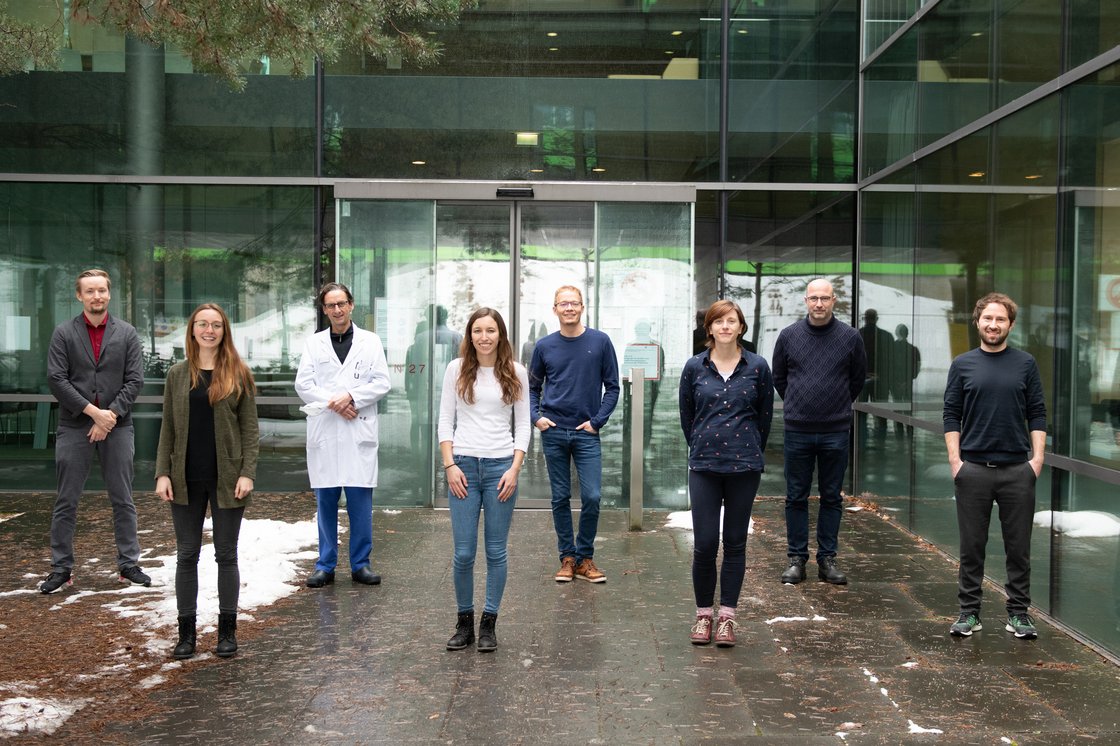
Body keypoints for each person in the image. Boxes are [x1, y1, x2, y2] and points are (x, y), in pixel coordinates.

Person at [155, 303, 259, 660]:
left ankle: (227, 632)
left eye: (216, 325)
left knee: (226, 555)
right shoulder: (177, 375)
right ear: (193, 329)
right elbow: (167, 427)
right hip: (185, 477)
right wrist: (162, 473)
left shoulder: (238, 373)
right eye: (203, 324)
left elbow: (250, 430)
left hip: (228, 478)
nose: (209, 330)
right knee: (186, 555)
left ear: (224, 331)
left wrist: (247, 473)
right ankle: (186, 634)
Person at [944, 292, 1046, 639]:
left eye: (1000, 319)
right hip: (973, 469)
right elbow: (951, 415)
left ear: (1011, 325)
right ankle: (969, 613)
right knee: (971, 547)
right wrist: (956, 462)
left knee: (1018, 548)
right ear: (978, 323)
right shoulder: (962, 364)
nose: (993, 324)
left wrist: (1037, 460)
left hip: (1018, 470)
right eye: (988, 318)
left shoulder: (1025, 364)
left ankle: (1018, 614)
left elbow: (1037, 413)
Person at [40, 269, 149, 594]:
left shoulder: (127, 333)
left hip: (118, 427)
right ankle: (62, 569)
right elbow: (56, 379)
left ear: (109, 294)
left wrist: (110, 416)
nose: (96, 296)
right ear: (79, 295)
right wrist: (93, 414)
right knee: (66, 501)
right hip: (75, 426)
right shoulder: (63, 333)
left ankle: (128, 564)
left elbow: (135, 380)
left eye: (101, 290)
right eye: (90, 291)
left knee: (123, 499)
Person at [679, 300, 773, 647]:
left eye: (731, 321)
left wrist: (748, 447)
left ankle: (727, 620)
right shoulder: (694, 367)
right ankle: (704, 615)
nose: (725, 327)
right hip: (704, 466)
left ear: (741, 327)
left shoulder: (758, 366)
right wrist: (703, 443)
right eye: (718, 322)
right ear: (710, 328)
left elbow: (764, 417)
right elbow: (687, 416)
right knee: (704, 544)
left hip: (744, 466)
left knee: (735, 543)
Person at [438, 308, 530, 652]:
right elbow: (445, 420)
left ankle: (489, 623)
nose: (484, 337)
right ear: (470, 335)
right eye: (478, 330)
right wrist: (449, 466)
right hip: (462, 467)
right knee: (463, 553)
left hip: (500, 469)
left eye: (491, 330)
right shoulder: (456, 369)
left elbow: (523, 426)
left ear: (500, 335)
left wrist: (514, 469)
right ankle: (464, 623)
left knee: (495, 551)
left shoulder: (516, 372)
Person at [296, 282, 391, 588]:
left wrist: (351, 396)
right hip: (327, 430)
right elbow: (303, 385)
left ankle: (360, 564)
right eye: (330, 305)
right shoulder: (314, 344)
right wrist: (335, 404)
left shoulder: (370, 342)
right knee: (325, 502)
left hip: (357, 430)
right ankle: (325, 564)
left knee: (360, 503)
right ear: (324, 310)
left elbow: (381, 382)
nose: (336, 310)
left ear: (351, 305)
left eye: (341, 304)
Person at [772, 278, 866, 586]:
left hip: (835, 430)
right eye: (814, 298)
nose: (819, 304)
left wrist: (835, 404)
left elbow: (857, 379)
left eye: (825, 298)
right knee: (795, 496)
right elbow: (780, 377)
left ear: (834, 300)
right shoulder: (788, 336)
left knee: (831, 496)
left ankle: (827, 559)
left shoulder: (850, 337)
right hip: (798, 429)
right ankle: (796, 559)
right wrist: (799, 403)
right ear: (805, 300)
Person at [529, 285, 620, 584]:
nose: (569, 308)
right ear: (554, 309)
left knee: (592, 496)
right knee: (560, 497)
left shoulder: (601, 342)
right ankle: (567, 558)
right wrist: (536, 417)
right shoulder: (544, 346)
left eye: (574, 303)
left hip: (586, 433)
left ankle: (586, 557)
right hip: (553, 431)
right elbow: (531, 388)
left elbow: (613, 387)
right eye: (563, 303)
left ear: (582, 307)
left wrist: (597, 422)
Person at [858, 308, 894, 444]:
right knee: (881, 413)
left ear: (864, 318)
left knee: (860, 413)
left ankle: (861, 443)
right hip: (880, 380)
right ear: (877, 319)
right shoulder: (886, 336)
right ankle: (881, 442)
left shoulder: (857, 335)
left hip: (862, 379)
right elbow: (891, 361)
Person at [890, 323, 921, 437]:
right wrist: (908, 379)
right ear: (907, 334)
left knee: (897, 407)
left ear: (897, 333)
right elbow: (916, 367)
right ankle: (909, 430)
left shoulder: (891, 347)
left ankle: (899, 432)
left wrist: (895, 381)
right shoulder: (913, 349)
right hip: (908, 382)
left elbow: (889, 366)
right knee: (908, 408)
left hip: (895, 383)